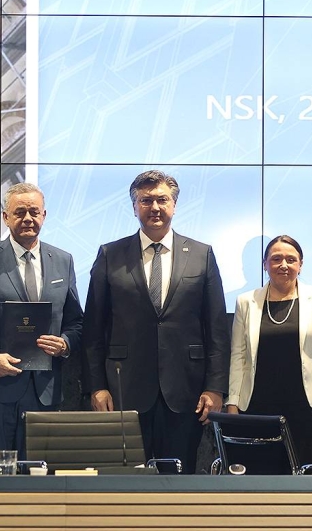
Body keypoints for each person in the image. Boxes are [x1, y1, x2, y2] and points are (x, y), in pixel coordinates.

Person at [82, 170, 230, 474]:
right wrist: (96, 387)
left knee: (178, 483)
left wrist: (215, 387)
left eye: (162, 200)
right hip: (123, 391)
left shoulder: (201, 254)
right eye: (146, 200)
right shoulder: (110, 254)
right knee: (125, 484)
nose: (155, 207)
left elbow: (216, 328)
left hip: (186, 392)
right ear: (134, 207)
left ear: (174, 204)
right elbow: (93, 330)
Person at [0, 182, 83, 456]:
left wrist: (65, 344)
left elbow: (76, 323)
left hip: (44, 392)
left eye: (34, 212)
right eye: (20, 212)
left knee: (38, 476)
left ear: (44, 215)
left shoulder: (63, 260)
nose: (28, 218)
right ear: (6, 217)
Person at [225, 235, 312, 473]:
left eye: (291, 259)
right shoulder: (246, 302)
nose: (284, 265)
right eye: (276, 259)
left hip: (307, 408)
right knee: (258, 477)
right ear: (265, 264)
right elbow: (238, 356)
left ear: (301, 264)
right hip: (256, 407)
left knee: (306, 479)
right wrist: (233, 403)